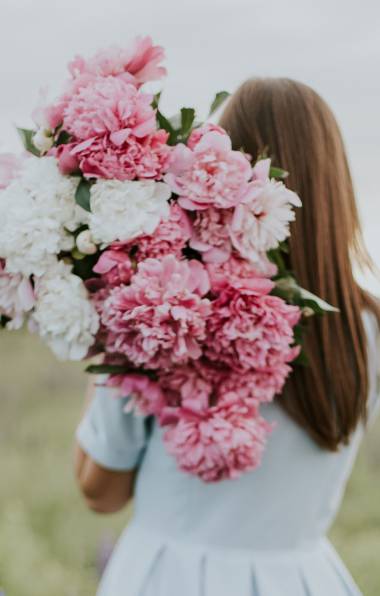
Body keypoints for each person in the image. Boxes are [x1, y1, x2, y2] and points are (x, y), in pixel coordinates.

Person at [74, 78, 380, 596]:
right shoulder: (367, 328)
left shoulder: (171, 306)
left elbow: (99, 491)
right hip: (304, 578)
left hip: (170, 579)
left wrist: (105, 330)